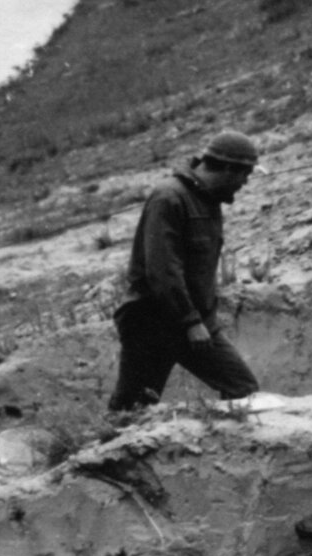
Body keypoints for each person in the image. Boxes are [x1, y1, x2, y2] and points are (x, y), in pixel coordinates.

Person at [108, 130, 262, 413]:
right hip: (152, 324)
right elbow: (162, 271)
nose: (245, 183)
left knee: (242, 390)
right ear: (228, 168)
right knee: (131, 409)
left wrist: (198, 319)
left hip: (194, 322)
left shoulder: (209, 199)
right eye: (245, 174)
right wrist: (190, 322)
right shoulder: (169, 198)